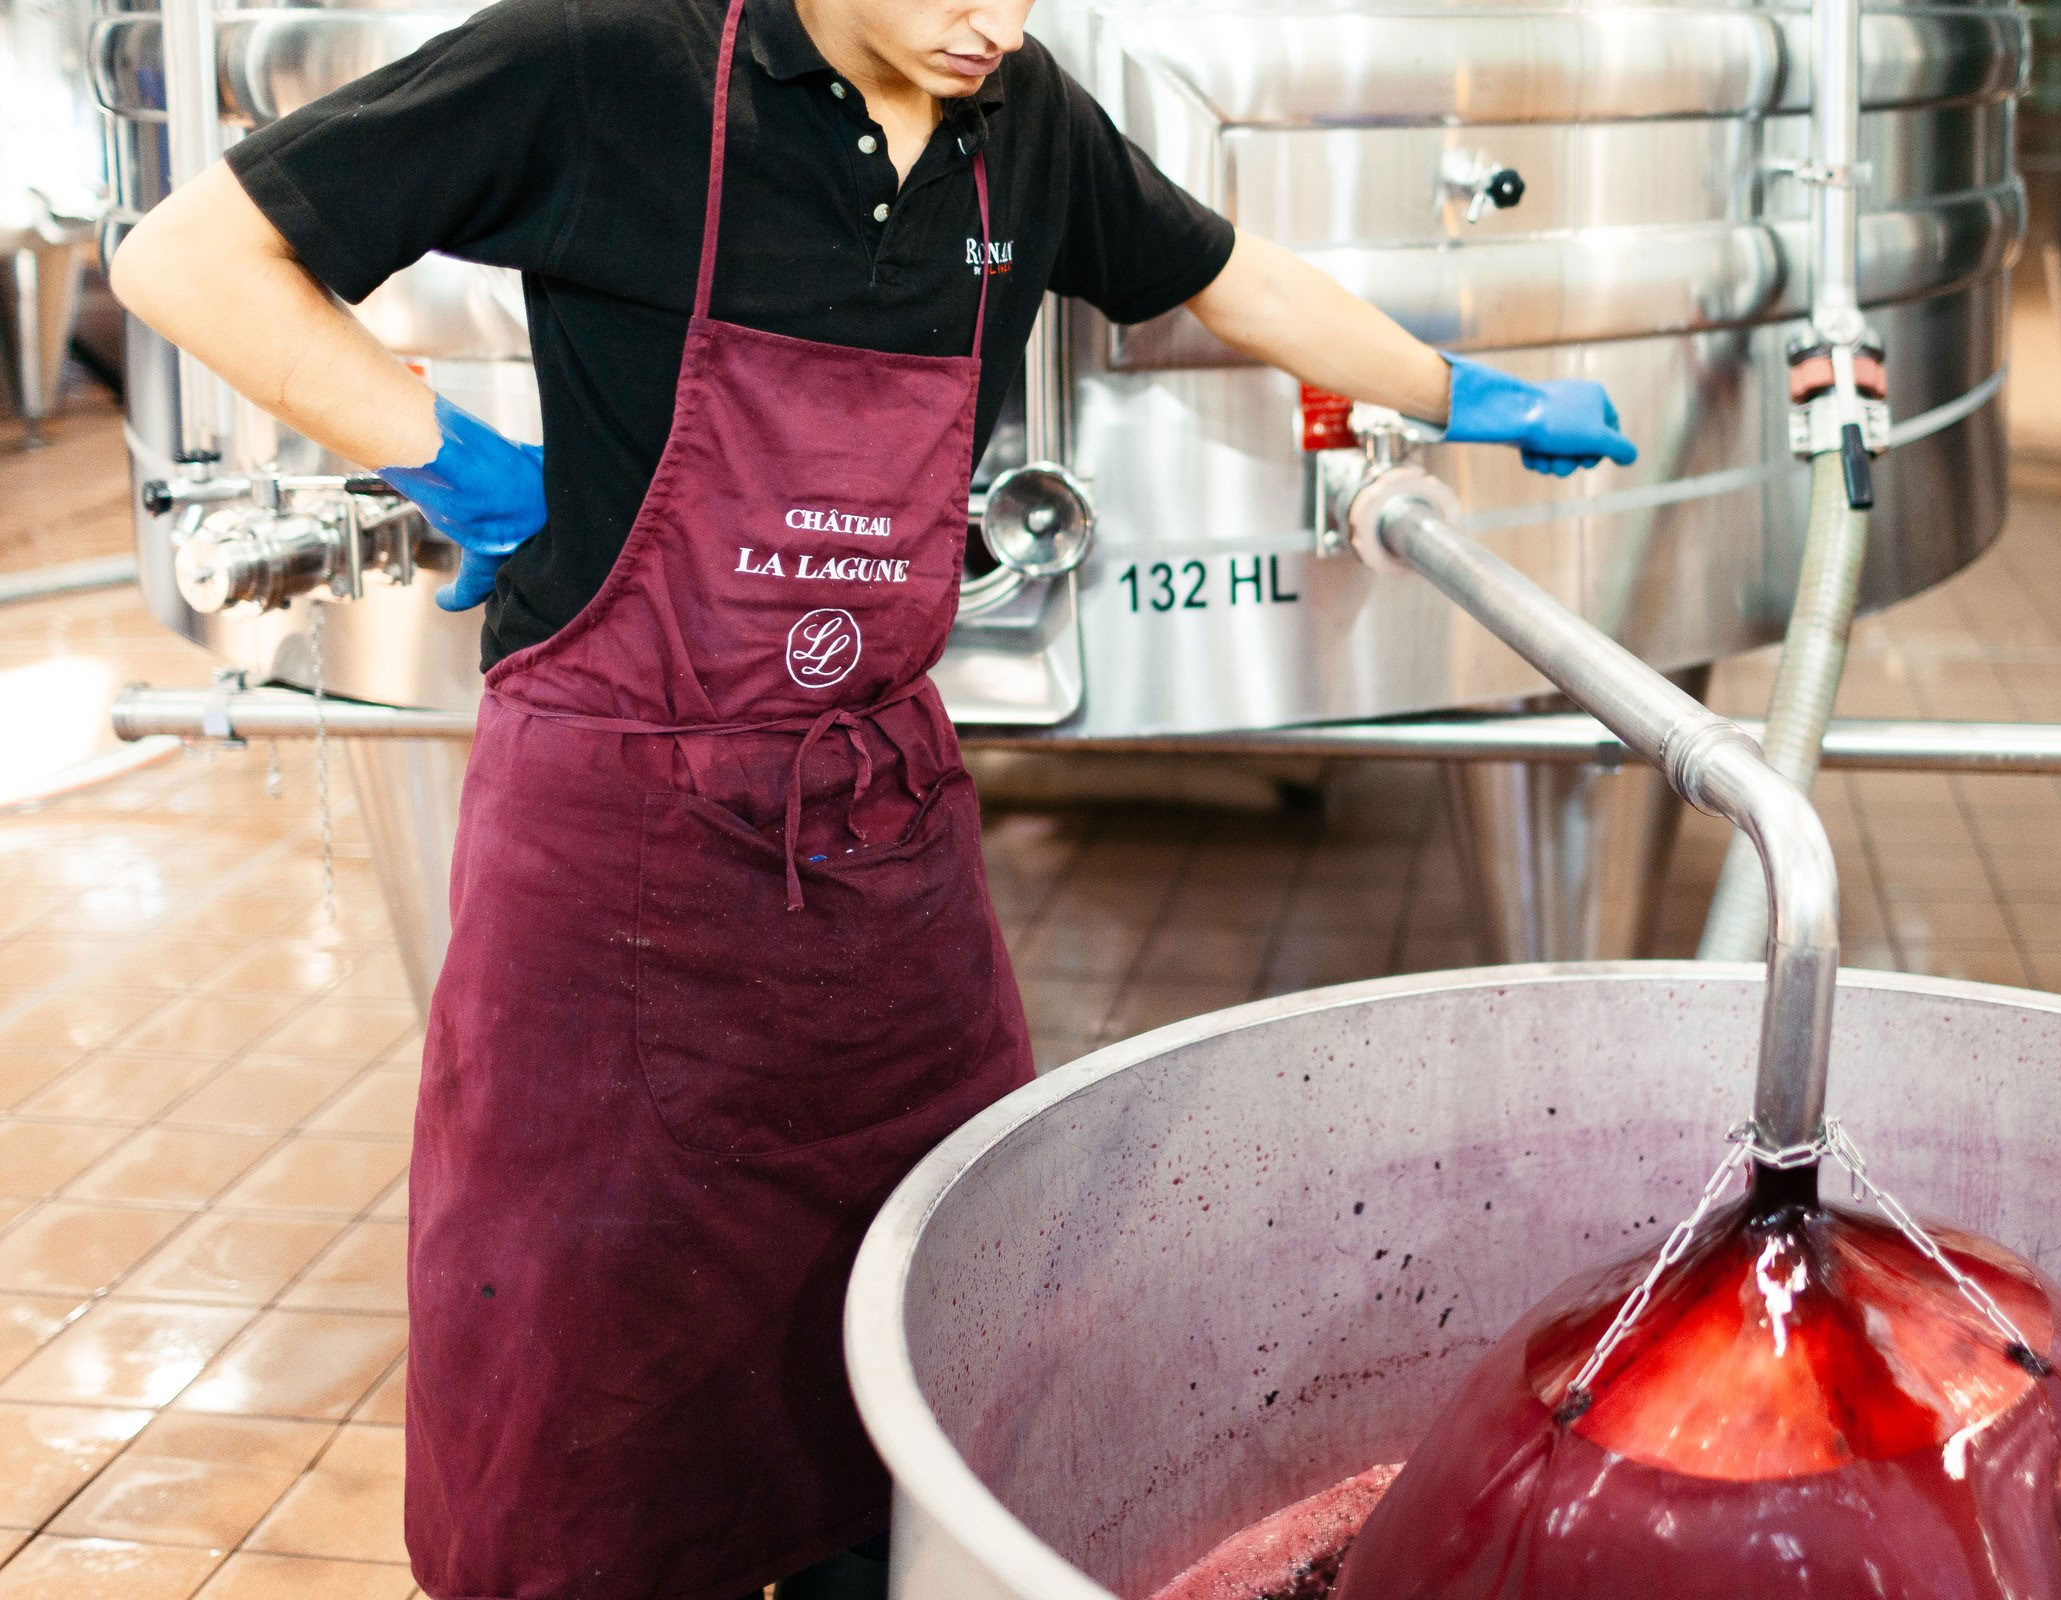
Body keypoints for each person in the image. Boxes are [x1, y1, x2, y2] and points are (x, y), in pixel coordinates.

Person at [109, 0, 1637, 1592]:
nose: (999, 20)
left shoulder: (1025, 118)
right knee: (602, 1399)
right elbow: (189, 259)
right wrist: (447, 455)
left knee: (923, 1335)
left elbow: (1228, 278)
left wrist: (1462, 393)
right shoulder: (601, 64)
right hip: (618, 858)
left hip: (882, 858)